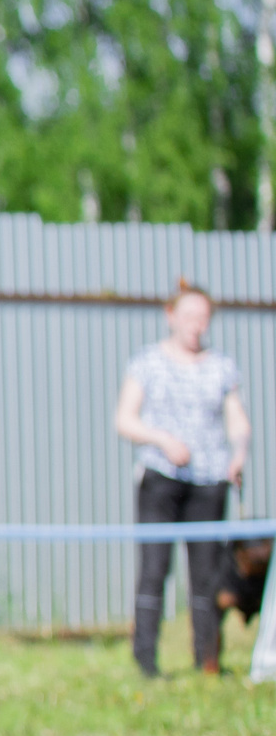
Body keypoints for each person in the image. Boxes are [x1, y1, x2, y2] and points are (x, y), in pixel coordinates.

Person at [114, 283, 250, 676]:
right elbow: (125, 419)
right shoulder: (148, 362)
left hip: (209, 479)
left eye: (203, 317)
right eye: (190, 315)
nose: (197, 324)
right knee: (155, 569)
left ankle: (207, 661)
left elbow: (237, 420)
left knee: (207, 574)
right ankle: (146, 663)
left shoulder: (220, 366)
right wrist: (162, 439)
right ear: (170, 315)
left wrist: (239, 454)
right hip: (161, 476)